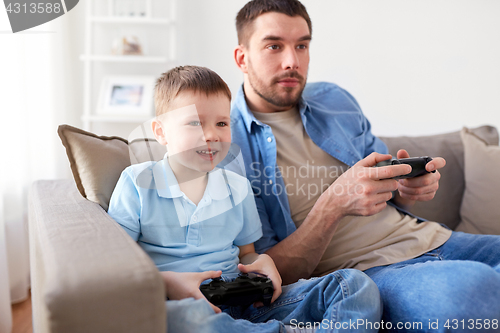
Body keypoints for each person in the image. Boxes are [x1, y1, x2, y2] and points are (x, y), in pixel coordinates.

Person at [230, 0, 500, 331]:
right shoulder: (228, 146)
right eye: (274, 46)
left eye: (302, 45)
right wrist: (333, 204)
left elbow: (387, 183)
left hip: (437, 240)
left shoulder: (334, 99)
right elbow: (270, 274)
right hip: (369, 274)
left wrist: (405, 186)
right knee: (474, 290)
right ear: (242, 58)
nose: (292, 61)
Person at [108, 65, 382, 333]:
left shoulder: (237, 187)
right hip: (180, 304)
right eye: (195, 123)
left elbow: (247, 253)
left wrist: (261, 263)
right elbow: (115, 266)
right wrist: (166, 282)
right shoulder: (137, 182)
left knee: (354, 285)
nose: (212, 135)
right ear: (160, 132)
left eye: (222, 123)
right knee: (183, 318)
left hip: (245, 301)